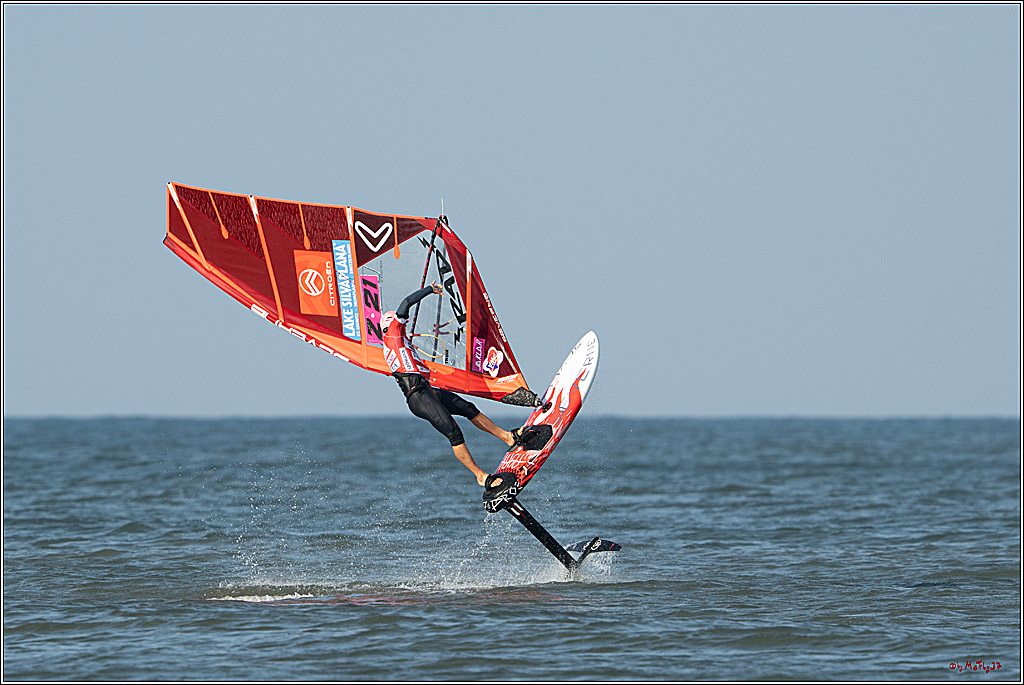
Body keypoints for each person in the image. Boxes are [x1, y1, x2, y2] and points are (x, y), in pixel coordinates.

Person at [380, 282, 527, 487]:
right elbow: (405, 304)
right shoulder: (392, 334)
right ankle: (481, 477)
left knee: (468, 408)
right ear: (391, 323)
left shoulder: (397, 343)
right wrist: (430, 289)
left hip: (427, 390)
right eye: (399, 321)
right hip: (418, 396)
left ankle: (508, 438)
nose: (403, 322)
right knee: (454, 433)